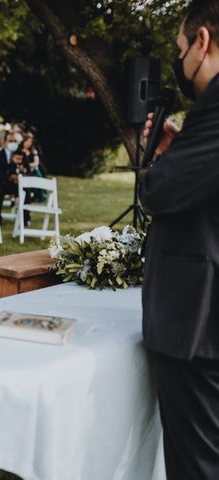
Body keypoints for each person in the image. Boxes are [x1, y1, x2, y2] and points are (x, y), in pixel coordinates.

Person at [139, 2, 219, 478]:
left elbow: (158, 191)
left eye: (181, 49)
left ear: (203, 43)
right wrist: (177, 152)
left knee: (198, 466)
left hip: (200, 324)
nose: (180, 60)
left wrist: (161, 163)